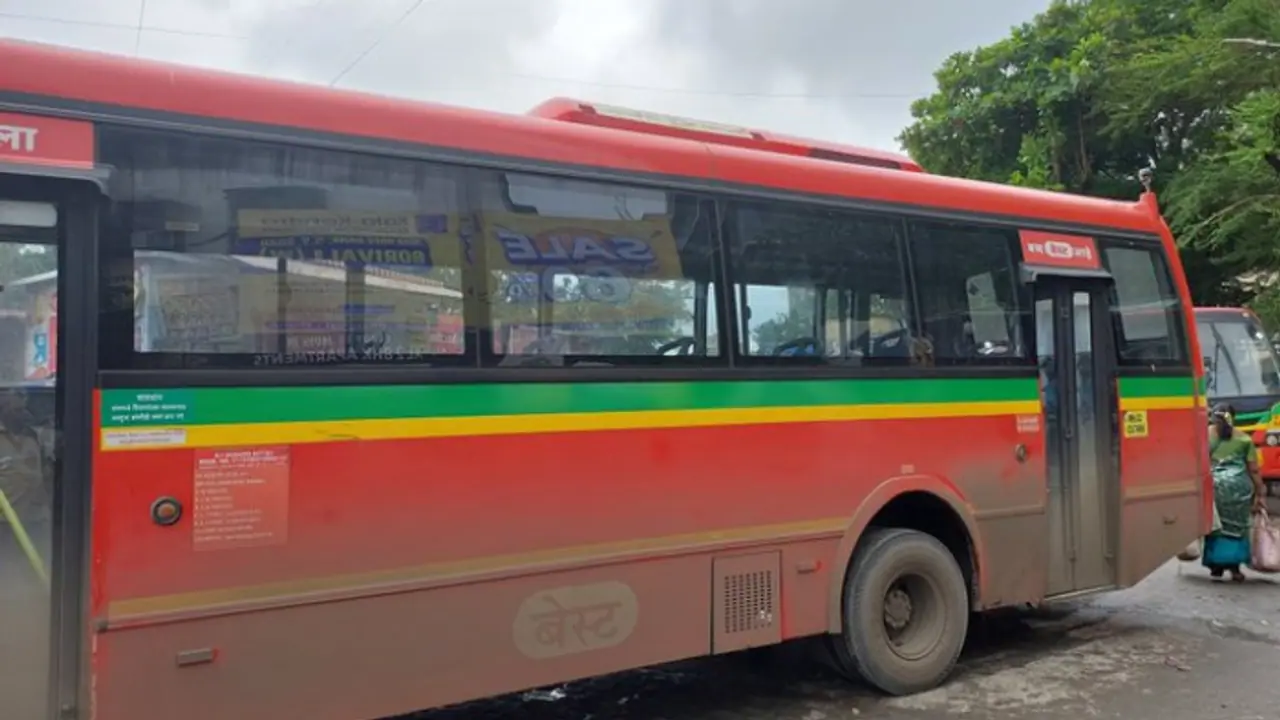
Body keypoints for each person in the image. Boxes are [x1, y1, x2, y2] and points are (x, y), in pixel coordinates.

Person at [1202, 403, 1266, 582]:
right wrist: (1260, 492)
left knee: (1215, 526)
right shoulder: (1244, 439)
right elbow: (1253, 470)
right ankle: (1235, 568)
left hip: (1215, 487)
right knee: (1237, 528)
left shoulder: (1205, 436)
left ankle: (1216, 565)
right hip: (1239, 488)